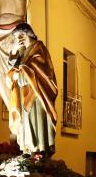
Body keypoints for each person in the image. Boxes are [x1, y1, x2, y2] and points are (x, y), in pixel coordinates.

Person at [4, 23, 58, 153]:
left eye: (21, 35)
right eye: (17, 37)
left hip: (37, 94)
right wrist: (14, 52)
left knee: (35, 122)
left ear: (28, 34)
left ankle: (39, 151)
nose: (19, 39)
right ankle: (28, 150)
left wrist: (20, 75)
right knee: (26, 123)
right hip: (25, 94)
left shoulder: (38, 48)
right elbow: (13, 66)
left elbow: (39, 70)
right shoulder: (24, 52)